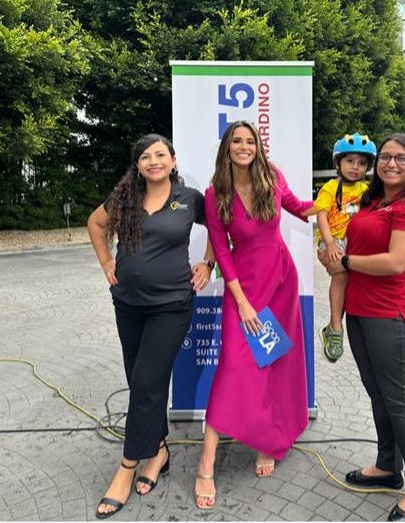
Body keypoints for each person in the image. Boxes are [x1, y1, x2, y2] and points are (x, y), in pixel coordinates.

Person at [87, 134, 215, 519]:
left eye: (161, 154)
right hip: (126, 304)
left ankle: (127, 467)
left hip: (171, 306)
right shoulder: (125, 197)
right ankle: (158, 451)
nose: (154, 161)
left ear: (173, 160)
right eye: (146, 156)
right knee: (142, 379)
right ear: (138, 165)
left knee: (145, 381)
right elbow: (95, 223)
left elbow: (220, 232)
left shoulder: (190, 198)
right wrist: (107, 262)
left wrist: (208, 263)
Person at [319, 133, 405, 522]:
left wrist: (346, 263)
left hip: (391, 317)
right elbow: (339, 237)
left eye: (400, 158)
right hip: (358, 312)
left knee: (397, 400)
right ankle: (388, 467)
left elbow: (395, 262)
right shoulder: (373, 200)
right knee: (377, 395)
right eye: (385, 157)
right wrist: (332, 254)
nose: (391, 164)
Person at [195, 120, 315, 509]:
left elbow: (299, 208)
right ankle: (205, 464)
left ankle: (268, 440)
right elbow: (221, 251)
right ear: (227, 148)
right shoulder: (215, 194)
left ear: (258, 147)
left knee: (273, 365)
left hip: (280, 284)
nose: (244, 147)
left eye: (250, 141)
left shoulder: (272, 177)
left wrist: (332, 203)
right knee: (232, 368)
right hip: (243, 292)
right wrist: (242, 301)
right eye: (236, 141)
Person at [314, 133, 376, 363]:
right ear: (338, 162)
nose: (355, 167)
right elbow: (321, 216)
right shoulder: (331, 187)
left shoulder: (365, 190)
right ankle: (336, 328)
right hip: (334, 241)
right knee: (340, 274)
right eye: (349, 161)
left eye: (362, 163)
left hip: (356, 242)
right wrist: (329, 243)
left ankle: (332, 329)